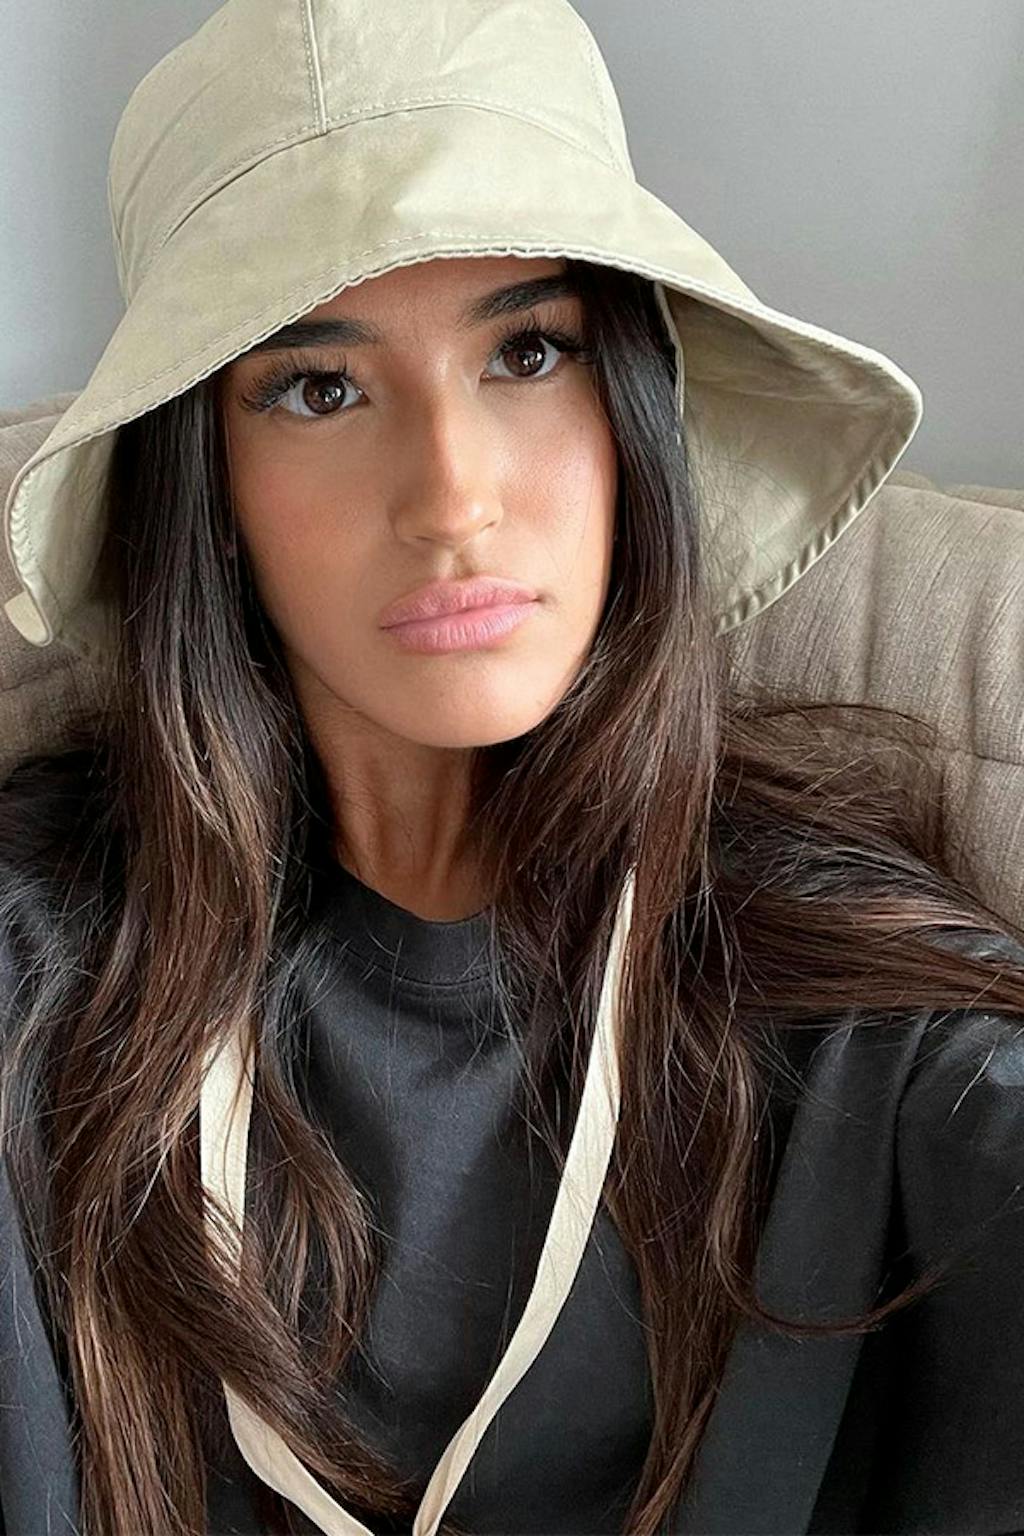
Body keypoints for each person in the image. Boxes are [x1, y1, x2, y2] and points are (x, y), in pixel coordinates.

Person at [2, 2, 1023, 1534]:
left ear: (631, 414)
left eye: (529, 352)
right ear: (207, 481)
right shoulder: (33, 994)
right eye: (320, 388)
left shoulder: (869, 1028)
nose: (452, 495)